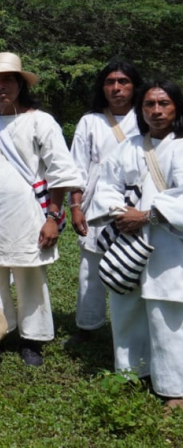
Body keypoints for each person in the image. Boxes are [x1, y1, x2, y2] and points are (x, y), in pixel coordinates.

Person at [0, 52, 81, 366]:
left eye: (7, 79)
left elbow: (60, 172)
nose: (0, 86)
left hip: (29, 215)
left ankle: (32, 339)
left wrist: (52, 217)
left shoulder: (40, 121)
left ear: (21, 83)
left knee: (30, 276)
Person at [89, 80, 183, 409]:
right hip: (129, 241)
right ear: (141, 110)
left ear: (176, 108)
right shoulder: (129, 146)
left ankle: (174, 389)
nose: (156, 111)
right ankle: (130, 374)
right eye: (149, 105)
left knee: (166, 315)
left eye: (164, 104)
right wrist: (120, 213)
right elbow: (106, 186)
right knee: (126, 307)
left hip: (170, 247)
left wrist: (146, 215)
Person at [67, 60, 142, 345]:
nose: (116, 88)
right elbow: (77, 167)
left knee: (134, 262)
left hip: (135, 201)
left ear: (134, 86)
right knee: (91, 268)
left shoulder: (144, 117)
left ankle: (133, 328)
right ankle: (87, 326)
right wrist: (75, 207)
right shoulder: (91, 121)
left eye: (123, 82)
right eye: (110, 82)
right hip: (96, 202)